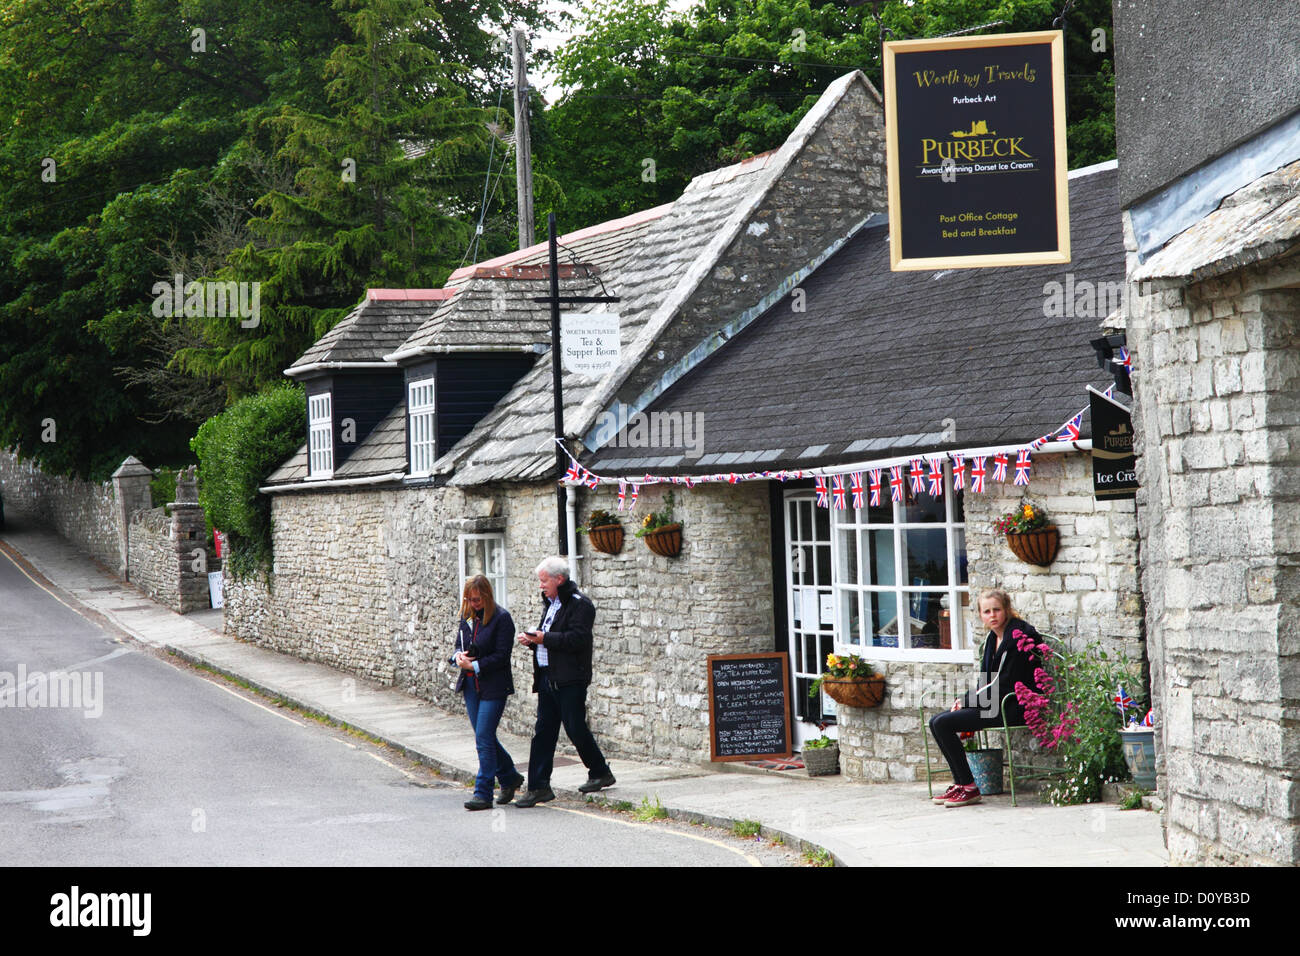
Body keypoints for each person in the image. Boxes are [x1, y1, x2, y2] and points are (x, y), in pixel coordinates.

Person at [513, 556, 615, 807]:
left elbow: (576, 640)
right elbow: (549, 638)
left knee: (574, 727)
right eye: (540, 581)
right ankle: (538, 787)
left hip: (571, 678)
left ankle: (600, 771)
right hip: (548, 677)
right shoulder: (551, 604)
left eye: (544, 580)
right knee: (543, 733)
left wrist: (543, 639)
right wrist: (533, 641)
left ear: (560, 579)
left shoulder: (581, 605)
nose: (541, 586)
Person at [927, 587, 1042, 807]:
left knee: (943, 723)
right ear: (980, 615)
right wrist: (967, 701)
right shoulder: (992, 638)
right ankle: (962, 784)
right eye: (987, 611)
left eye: (997, 610)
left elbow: (1005, 682)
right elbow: (986, 680)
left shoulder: (1019, 636)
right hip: (994, 703)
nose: (992, 615)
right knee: (936, 722)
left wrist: (967, 701)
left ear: (1007, 609)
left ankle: (969, 788)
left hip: (1014, 706)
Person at [452, 574, 525, 811]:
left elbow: (502, 656)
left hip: (494, 686)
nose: (474, 604)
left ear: (487, 596)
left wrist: (474, 665)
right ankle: (510, 777)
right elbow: (457, 647)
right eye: (470, 600)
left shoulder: (502, 619)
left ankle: (483, 793)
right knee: (486, 737)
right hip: (471, 686)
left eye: (477, 599)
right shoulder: (467, 618)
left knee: (483, 737)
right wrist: (458, 657)